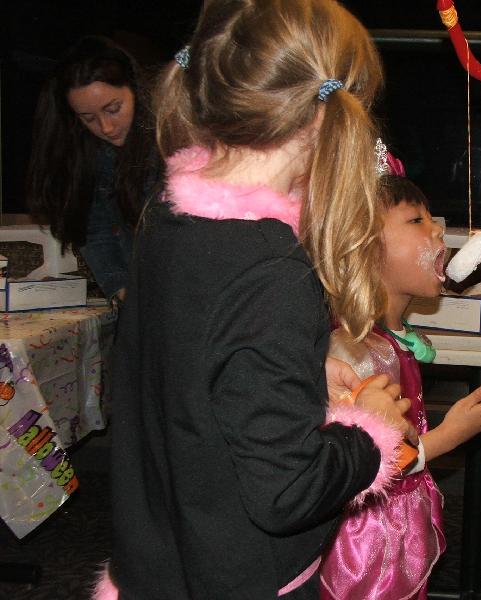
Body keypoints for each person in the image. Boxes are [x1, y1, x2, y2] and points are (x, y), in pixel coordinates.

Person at [93, 1, 421, 599]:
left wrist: (298, 365)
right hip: (236, 575)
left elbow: (194, 359)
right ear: (329, 117)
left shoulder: (169, 219)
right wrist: (370, 432)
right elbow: (285, 493)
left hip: (162, 562)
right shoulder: (272, 269)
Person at [320, 171, 481, 600]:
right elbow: (367, 463)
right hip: (367, 549)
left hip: (396, 530)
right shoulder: (356, 350)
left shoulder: (395, 338)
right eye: (416, 221)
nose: (438, 229)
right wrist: (448, 436)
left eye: (432, 218)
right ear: (364, 246)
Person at [26, 36, 159, 303]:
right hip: (143, 298)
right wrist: (121, 288)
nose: (106, 127)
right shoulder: (90, 155)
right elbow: (93, 228)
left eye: (113, 109)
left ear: (135, 90)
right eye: (89, 118)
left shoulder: (173, 138)